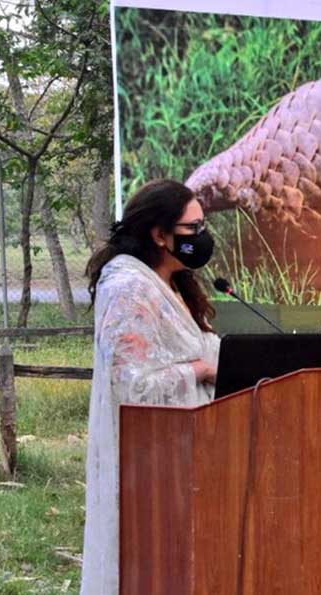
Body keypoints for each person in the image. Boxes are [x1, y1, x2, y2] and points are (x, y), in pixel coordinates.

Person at [79, 180, 221, 594]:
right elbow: (131, 387)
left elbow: (202, 352)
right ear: (159, 235)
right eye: (192, 229)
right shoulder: (127, 289)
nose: (202, 237)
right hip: (151, 464)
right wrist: (196, 370)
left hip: (192, 451)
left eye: (203, 226)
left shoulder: (175, 286)